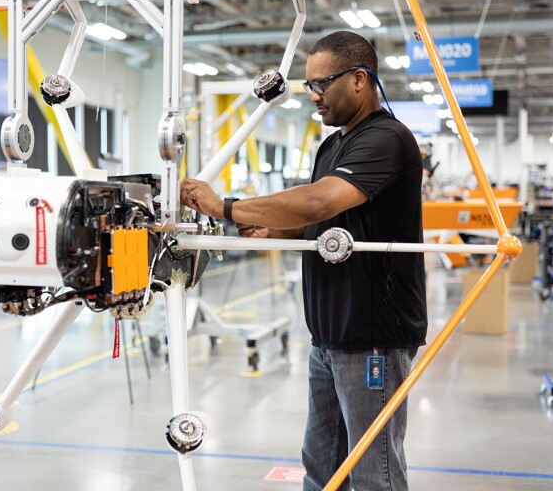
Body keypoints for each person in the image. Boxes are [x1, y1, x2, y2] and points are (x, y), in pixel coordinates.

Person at [180, 30, 427, 491]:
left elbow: (319, 202)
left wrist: (225, 207)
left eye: (321, 84)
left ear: (358, 79)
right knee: (322, 468)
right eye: (309, 86)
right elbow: (321, 222)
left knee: (376, 474)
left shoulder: (386, 138)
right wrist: (275, 228)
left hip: (372, 335)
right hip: (328, 335)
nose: (314, 96)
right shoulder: (333, 146)